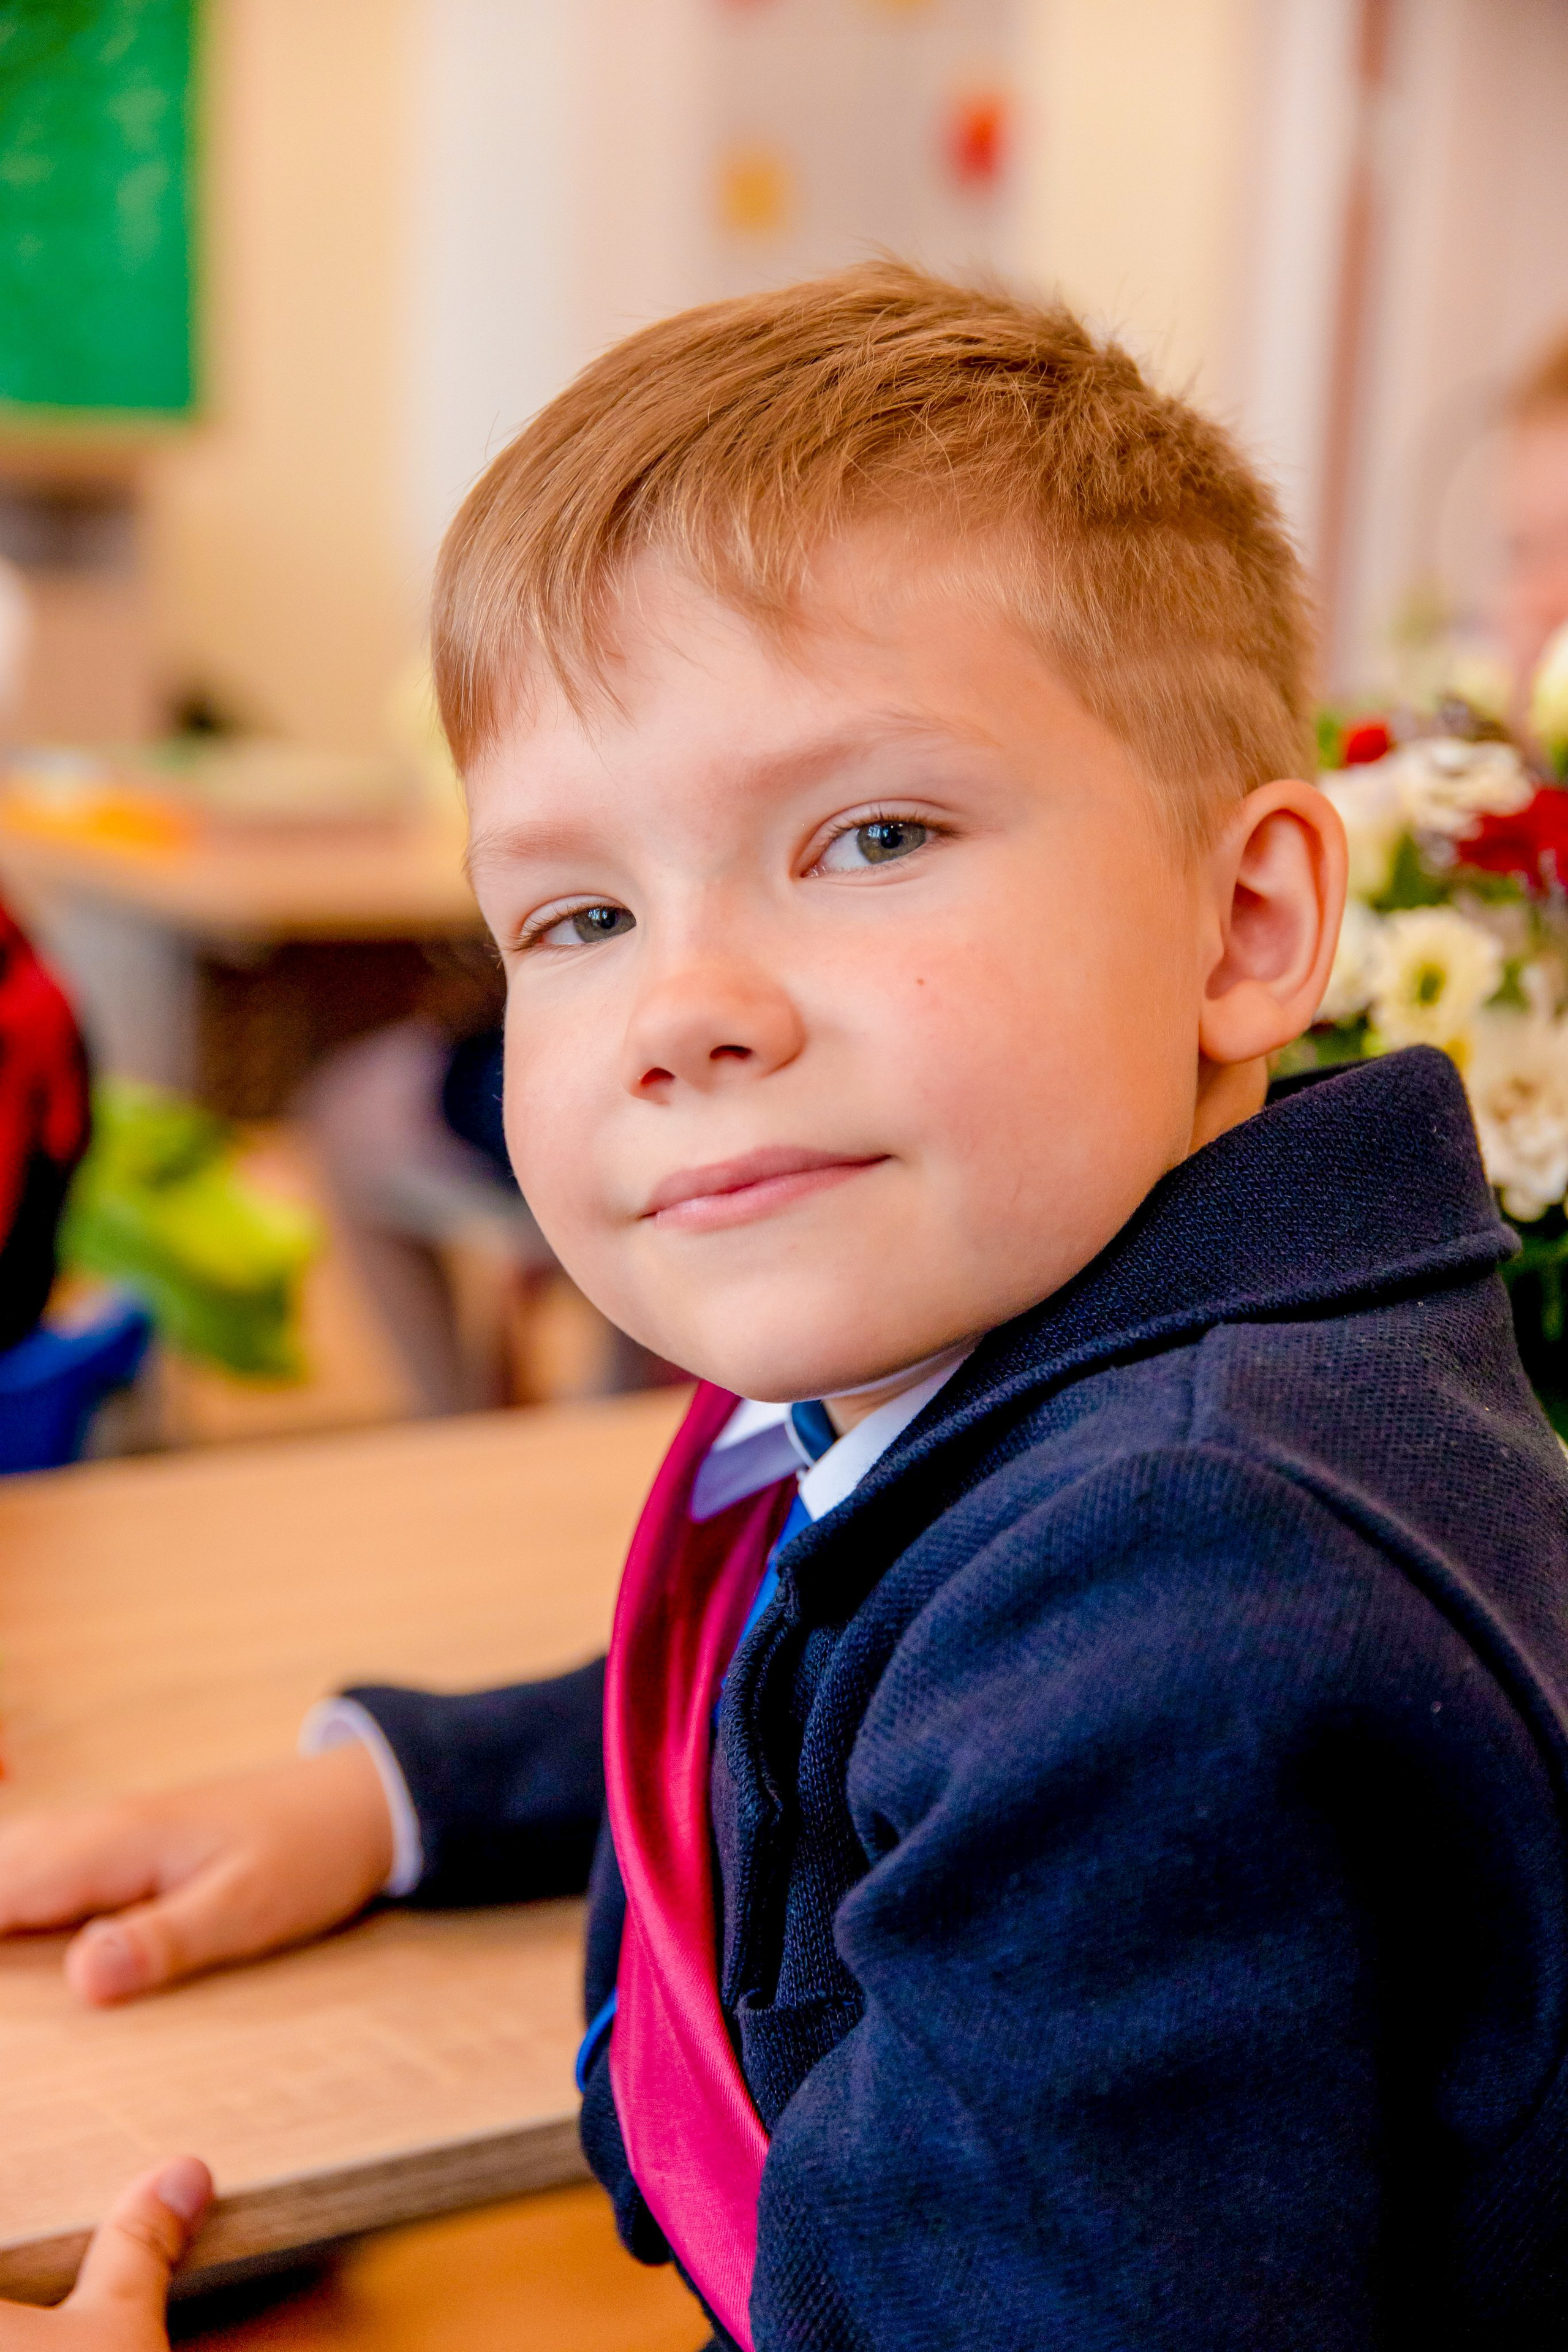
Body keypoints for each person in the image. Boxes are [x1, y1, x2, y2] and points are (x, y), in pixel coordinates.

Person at [2, 263, 1568, 2351]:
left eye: (871, 834)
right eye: (578, 913)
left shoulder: (1183, 1600)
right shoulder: (1131, 1421)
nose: (686, 1009)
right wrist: (393, 1793)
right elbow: (853, 1664)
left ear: (1248, 921)